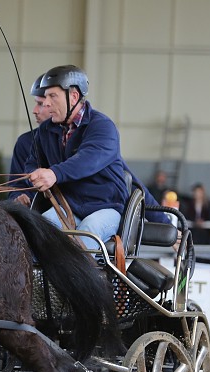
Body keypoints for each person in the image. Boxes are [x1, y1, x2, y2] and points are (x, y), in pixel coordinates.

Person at [20, 64, 129, 250]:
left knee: (88, 231)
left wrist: (54, 174)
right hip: (68, 207)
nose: (46, 103)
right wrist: (35, 175)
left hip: (106, 207)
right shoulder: (45, 130)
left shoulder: (102, 127)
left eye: (52, 96)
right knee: (39, 229)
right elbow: (33, 163)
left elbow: (88, 160)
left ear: (74, 97)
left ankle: (76, 279)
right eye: (45, 97)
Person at [8, 74, 52, 209]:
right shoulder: (25, 142)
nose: (34, 111)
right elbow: (15, 185)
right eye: (35, 103)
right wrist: (17, 196)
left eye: (40, 104)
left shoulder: (76, 138)